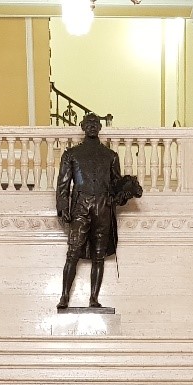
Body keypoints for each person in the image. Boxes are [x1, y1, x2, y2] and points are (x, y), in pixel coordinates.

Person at [55, 112, 134, 310]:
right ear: (82, 126)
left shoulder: (111, 156)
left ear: (100, 128)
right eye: (88, 123)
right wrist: (63, 206)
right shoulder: (71, 154)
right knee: (72, 252)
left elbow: (116, 185)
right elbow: (63, 184)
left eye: (95, 123)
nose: (92, 126)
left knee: (99, 255)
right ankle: (64, 296)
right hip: (81, 204)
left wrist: (126, 189)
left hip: (103, 205)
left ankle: (93, 298)